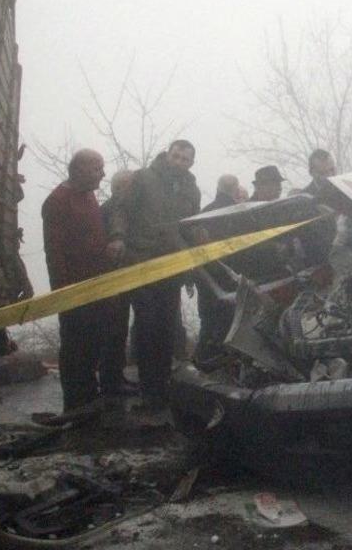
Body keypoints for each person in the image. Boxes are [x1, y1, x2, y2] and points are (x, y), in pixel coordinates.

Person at [115, 140, 201, 410]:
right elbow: (120, 209)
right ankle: (148, 387)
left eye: (185, 159)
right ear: (168, 154)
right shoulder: (144, 178)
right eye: (176, 156)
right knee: (147, 325)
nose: (179, 162)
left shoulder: (190, 188)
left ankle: (162, 385)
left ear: (191, 163)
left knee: (167, 326)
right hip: (142, 261)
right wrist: (118, 237)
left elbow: (190, 227)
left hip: (172, 265)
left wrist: (190, 267)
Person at [41, 149, 122, 413]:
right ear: (78, 170)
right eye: (97, 168)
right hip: (75, 289)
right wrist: (64, 293)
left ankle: (89, 395)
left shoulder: (89, 197)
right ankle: (75, 402)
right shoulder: (58, 201)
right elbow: (54, 252)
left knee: (93, 342)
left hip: (98, 285)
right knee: (76, 345)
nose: (103, 174)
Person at [192, 175, 244, 363]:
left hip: (206, 274)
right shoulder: (237, 211)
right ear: (235, 190)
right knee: (229, 320)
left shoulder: (205, 213)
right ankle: (221, 360)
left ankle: (202, 358)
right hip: (230, 273)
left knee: (208, 320)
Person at [99, 169, 136, 397]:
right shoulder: (108, 211)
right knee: (112, 330)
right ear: (117, 187)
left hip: (127, 275)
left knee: (120, 328)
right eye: (128, 186)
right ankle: (110, 381)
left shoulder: (129, 211)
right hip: (113, 278)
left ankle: (116, 375)